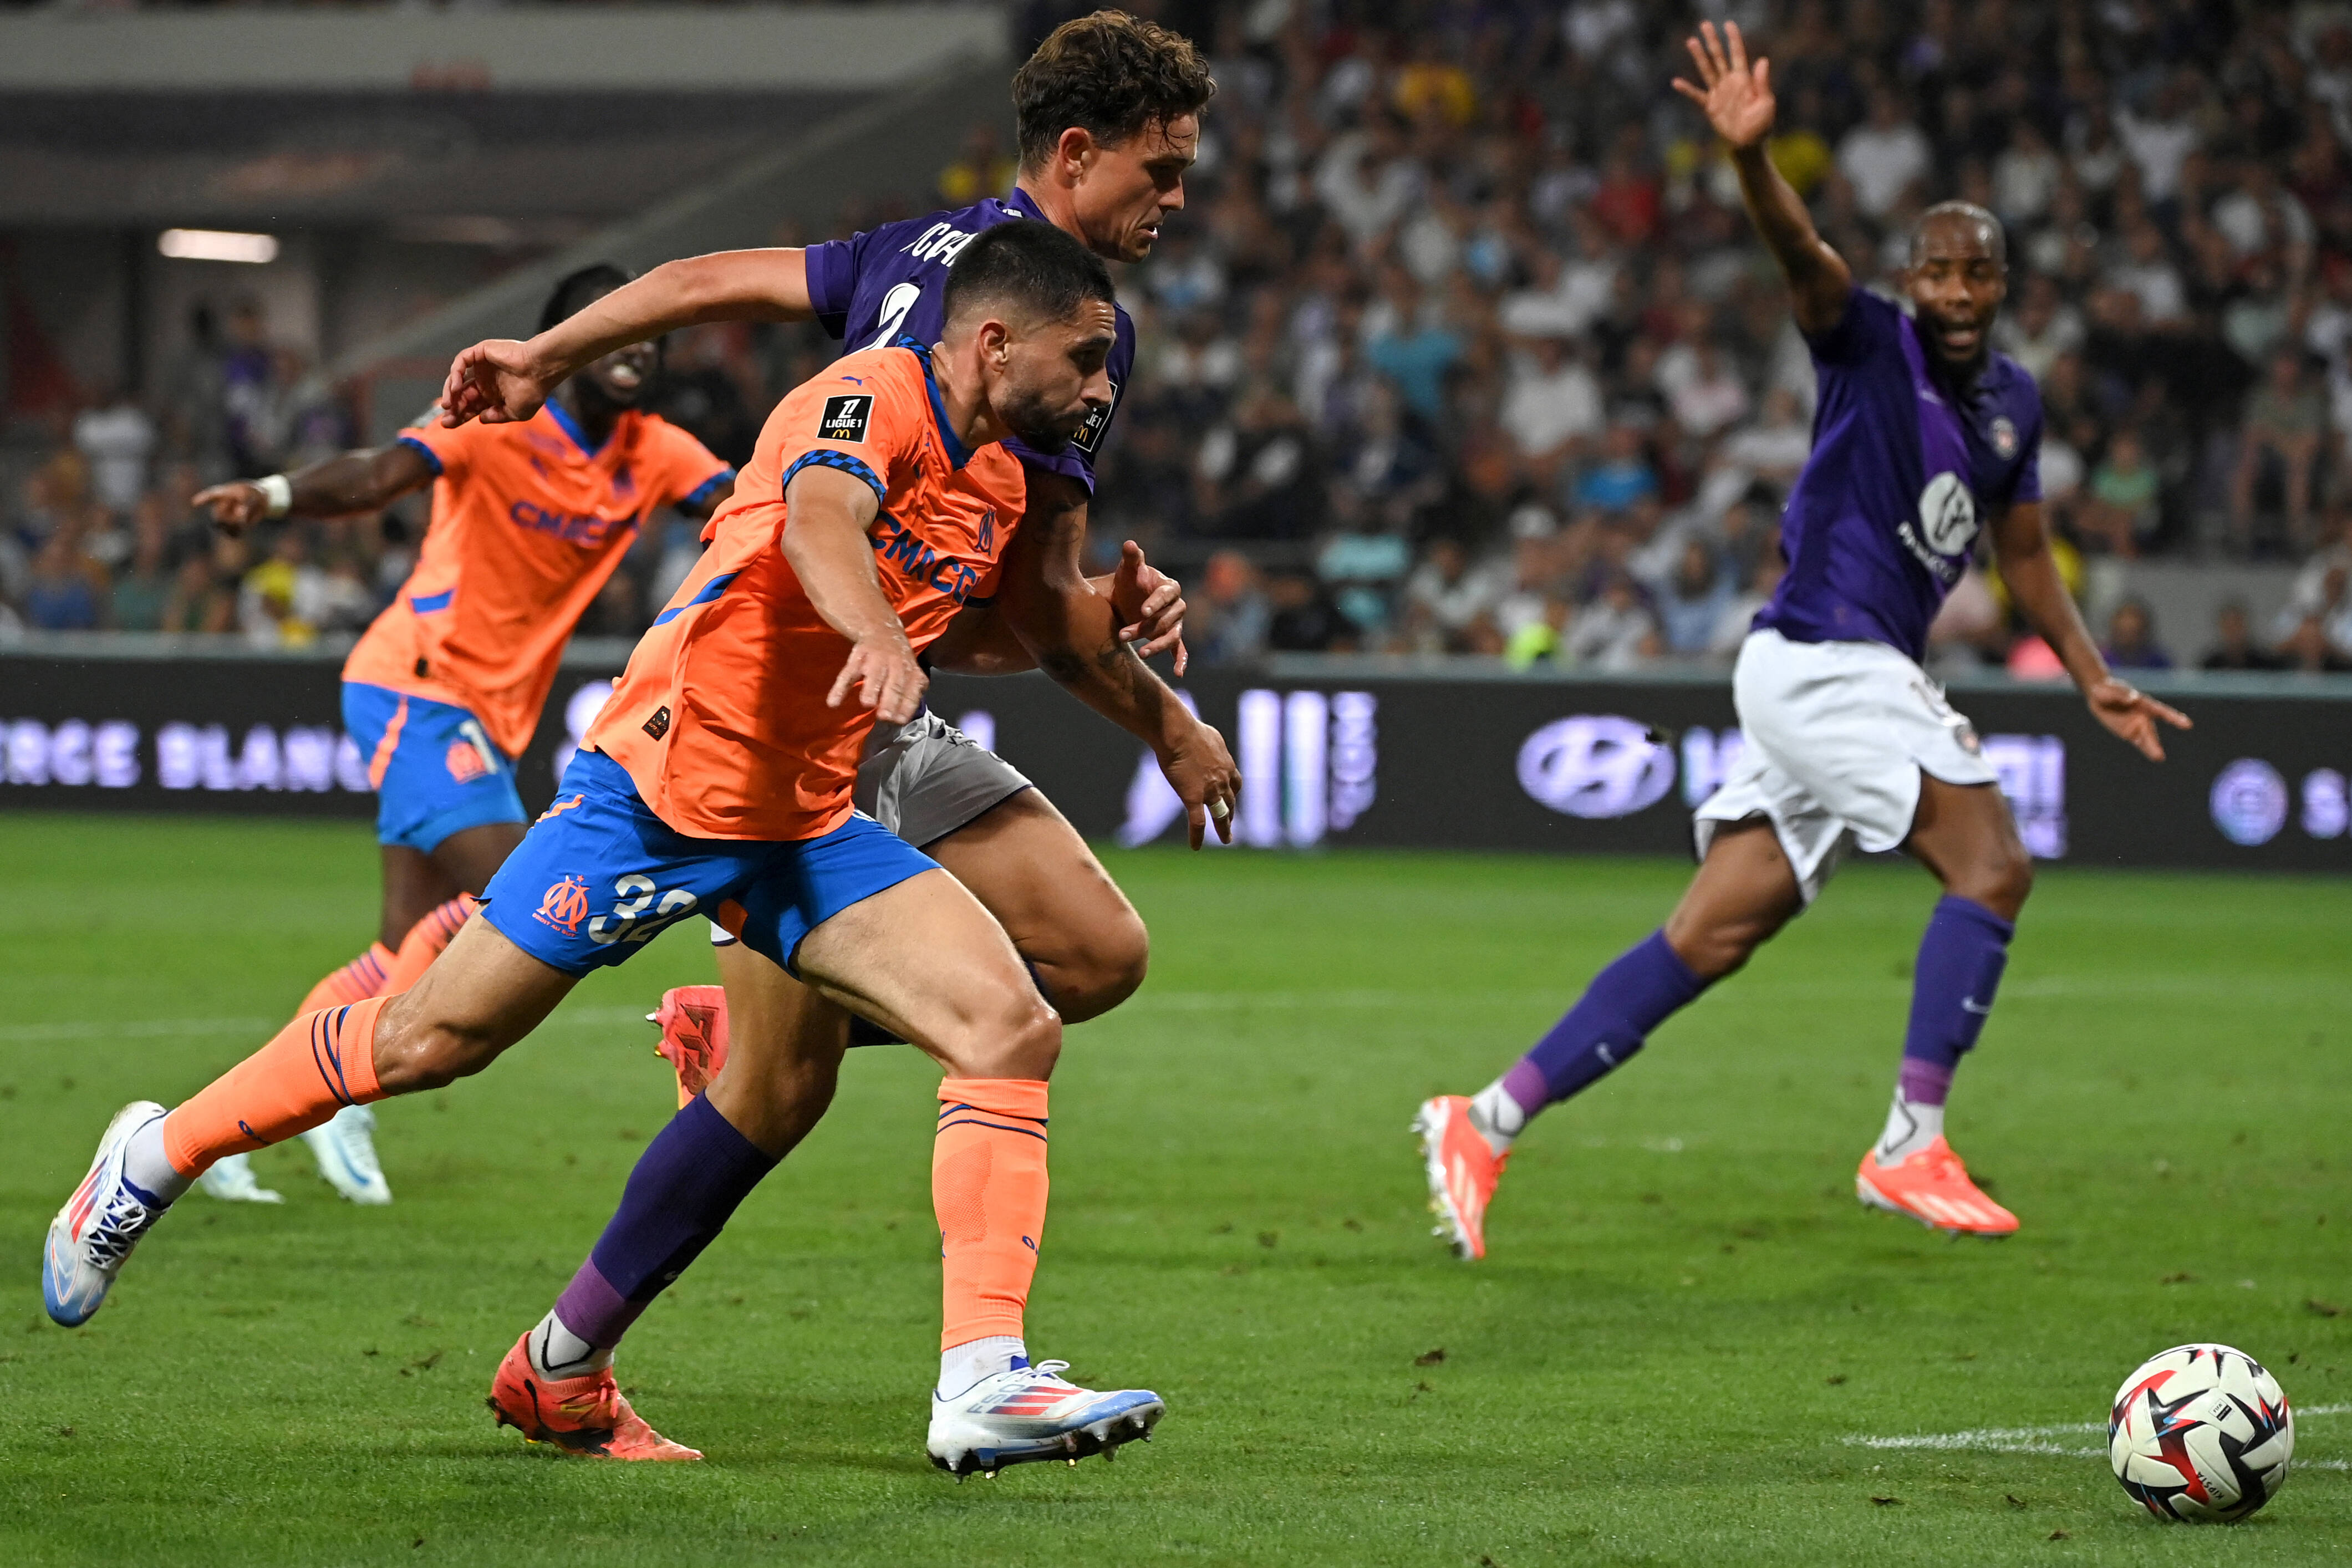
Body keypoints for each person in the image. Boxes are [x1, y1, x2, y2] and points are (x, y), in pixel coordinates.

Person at [47, 222, 1225, 1480]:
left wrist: (1107, 626)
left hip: (805, 823)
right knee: (431, 1038)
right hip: (661, 786)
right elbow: (821, 521)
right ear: (996, 341)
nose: (1105, 388)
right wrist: (874, 628)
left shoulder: (999, 476)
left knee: (1010, 1025)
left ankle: (982, 1379)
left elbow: (973, 631)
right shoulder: (864, 394)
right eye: (1087, 358)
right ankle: (154, 1154)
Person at [1413, 22, 2191, 1260]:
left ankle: (1486, 1116)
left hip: (1842, 670)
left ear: (2000, 285)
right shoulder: (1870, 340)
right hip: (1827, 656)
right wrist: (1752, 163)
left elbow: (2027, 554)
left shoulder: (2015, 405)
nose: (1950, 292)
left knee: (1714, 930)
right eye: (1934, 270)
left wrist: (2093, 677)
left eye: (1972, 275)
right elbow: (1803, 254)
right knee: (1991, 862)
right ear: (1913, 275)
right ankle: (1909, 1140)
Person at [436, 11, 1223, 1189]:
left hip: (888, 697)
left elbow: (708, 279)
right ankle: (567, 1349)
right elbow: (1043, 621)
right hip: (792, 706)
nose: (1175, 199)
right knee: (775, 1094)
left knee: (1098, 955)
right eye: (1160, 170)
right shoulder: (1069, 338)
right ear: (1074, 152)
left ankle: (730, 1027)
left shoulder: (916, 252)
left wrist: (550, 351)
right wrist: (1160, 711)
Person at [181, 264, 738, 1206]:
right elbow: (376, 475)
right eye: (608, 336)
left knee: (402, 944)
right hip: (416, 683)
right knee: (531, 888)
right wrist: (273, 496)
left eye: (646, 339)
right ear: (563, 350)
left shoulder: (658, 452)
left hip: (494, 711)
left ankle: (225, 1127)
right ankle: (341, 1100)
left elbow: (745, 510)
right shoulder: (497, 427)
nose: (634, 352)